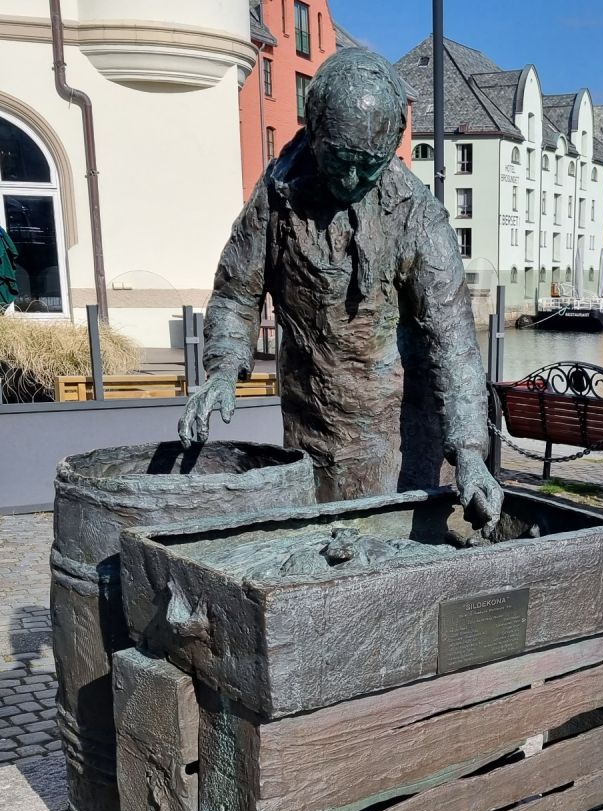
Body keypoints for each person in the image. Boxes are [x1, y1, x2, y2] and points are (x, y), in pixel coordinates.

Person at [178, 48, 501, 530]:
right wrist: (224, 371)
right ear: (314, 132)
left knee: (384, 556)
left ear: (393, 143)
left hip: (394, 434)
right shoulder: (276, 196)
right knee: (315, 542)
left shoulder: (418, 219)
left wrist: (471, 454)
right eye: (339, 160)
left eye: (367, 165)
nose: (351, 179)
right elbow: (236, 294)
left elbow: (453, 346)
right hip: (308, 419)